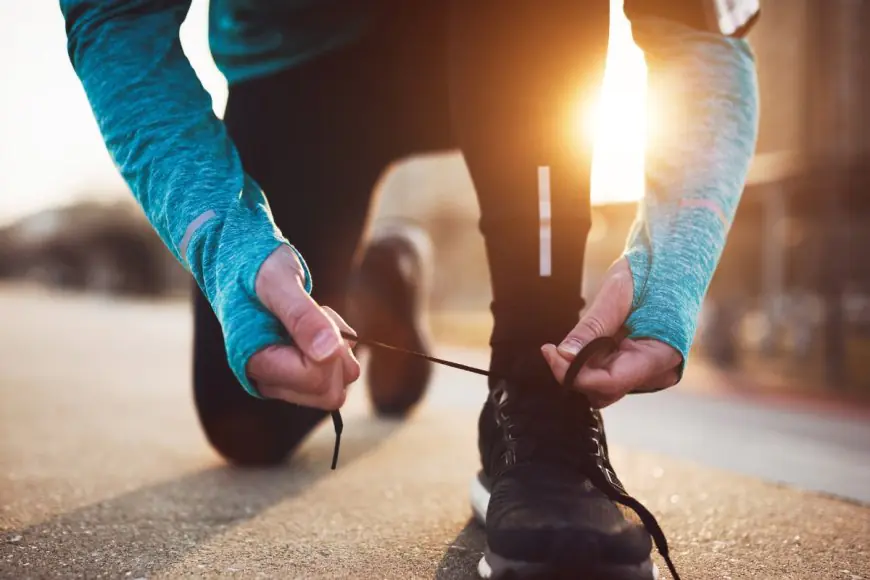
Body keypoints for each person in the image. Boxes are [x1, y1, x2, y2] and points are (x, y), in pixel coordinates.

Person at [58, 1, 759, 578]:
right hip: (300, 60)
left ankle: (537, 399)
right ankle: (373, 280)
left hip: (516, 35)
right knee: (247, 416)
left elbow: (703, 29)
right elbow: (114, 21)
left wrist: (672, 263)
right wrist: (232, 251)